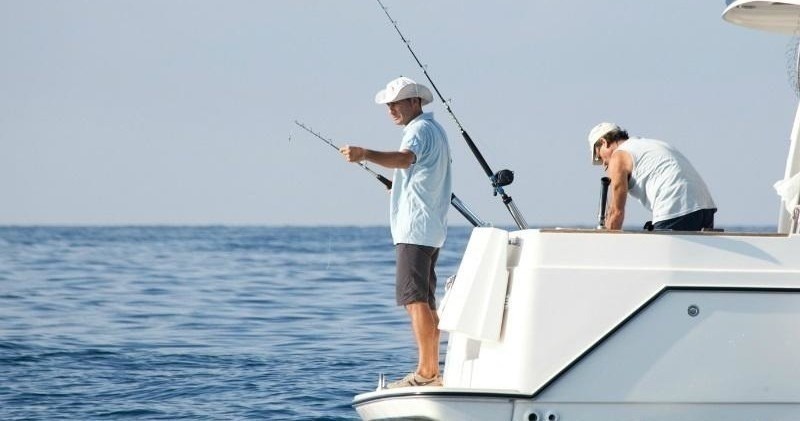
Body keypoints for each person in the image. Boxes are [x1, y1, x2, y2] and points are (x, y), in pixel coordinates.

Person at [340, 76, 452, 388]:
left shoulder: (417, 130)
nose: (391, 109)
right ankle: (430, 369)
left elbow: (405, 159)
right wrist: (400, 187)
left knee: (414, 299)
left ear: (415, 101)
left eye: (397, 102)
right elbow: (419, 172)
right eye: (389, 104)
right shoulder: (435, 130)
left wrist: (365, 154)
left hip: (415, 229)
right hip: (429, 228)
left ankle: (427, 373)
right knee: (426, 301)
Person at [587, 122, 717, 231]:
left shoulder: (619, 155)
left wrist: (606, 245)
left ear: (604, 142)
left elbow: (616, 212)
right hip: (706, 207)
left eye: (600, 157)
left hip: (676, 207)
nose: (603, 164)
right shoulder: (650, 144)